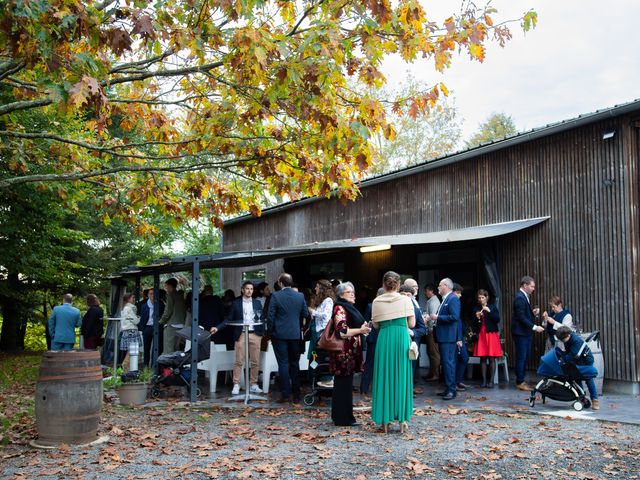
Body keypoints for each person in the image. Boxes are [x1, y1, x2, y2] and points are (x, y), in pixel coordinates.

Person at [371, 271, 415, 433]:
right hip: (401, 338)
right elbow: (411, 323)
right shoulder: (405, 300)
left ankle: (384, 421)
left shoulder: (376, 301)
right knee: (401, 376)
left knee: (384, 376)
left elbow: (375, 326)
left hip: (384, 338)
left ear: (383, 284)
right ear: (398, 284)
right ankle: (402, 420)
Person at [328, 282, 371, 426]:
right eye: (348, 292)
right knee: (342, 386)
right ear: (341, 295)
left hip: (349, 354)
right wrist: (360, 331)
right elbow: (342, 332)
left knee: (345, 386)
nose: (352, 294)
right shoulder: (340, 308)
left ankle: (344, 417)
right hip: (343, 354)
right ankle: (342, 418)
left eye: (353, 291)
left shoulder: (348, 308)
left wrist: (361, 328)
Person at [213, 281, 265, 395]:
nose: (249, 291)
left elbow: (261, 319)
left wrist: (263, 333)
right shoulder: (236, 303)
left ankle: (254, 384)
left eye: (251, 289)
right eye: (247, 288)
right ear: (242, 290)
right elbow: (228, 319)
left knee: (255, 361)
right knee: (239, 360)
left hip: (255, 333)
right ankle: (236, 384)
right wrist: (218, 328)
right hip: (241, 333)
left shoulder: (257, 303)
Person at [266, 273, 309, 403]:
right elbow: (305, 313)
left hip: (279, 334)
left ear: (280, 283)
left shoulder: (275, 296)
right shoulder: (300, 296)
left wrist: (271, 331)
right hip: (295, 334)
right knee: (294, 363)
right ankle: (297, 394)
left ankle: (285, 394)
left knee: (283, 364)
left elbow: (271, 316)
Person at [429, 278, 461, 400]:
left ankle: (451, 390)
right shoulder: (446, 299)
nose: (438, 287)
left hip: (448, 337)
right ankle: (448, 388)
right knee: (446, 363)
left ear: (446, 286)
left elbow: (455, 317)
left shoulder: (452, 299)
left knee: (448, 363)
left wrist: (437, 317)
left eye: (439, 285)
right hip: (444, 337)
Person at [512, 276, 545, 391]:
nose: (533, 289)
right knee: (521, 357)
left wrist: (533, 314)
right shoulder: (520, 298)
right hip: (521, 333)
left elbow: (524, 314)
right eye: (532, 286)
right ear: (525, 285)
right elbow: (520, 317)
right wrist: (535, 327)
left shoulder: (524, 296)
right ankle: (520, 382)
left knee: (525, 357)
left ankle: (521, 380)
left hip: (525, 332)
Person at [555, 326, 599, 410]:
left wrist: (562, 360)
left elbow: (573, 355)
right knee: (576, 379)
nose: (563, 341)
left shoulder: (576, 341)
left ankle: (595, 400)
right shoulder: (567, 338)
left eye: (563, 340)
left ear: (568, 335)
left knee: (589, 379)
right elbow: (568, 351)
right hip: (577, 361)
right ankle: (581, 399)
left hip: (586, 361)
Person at [308, 279, 335, 388]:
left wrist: (312, 311)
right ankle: (314, 379)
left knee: (317, 357)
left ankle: (320, 380)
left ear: (322, 288)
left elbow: (326, 316)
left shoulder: (328, 300)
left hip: (321, 335)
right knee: (314, 356)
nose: (315, 288)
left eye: (317, 287)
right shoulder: (323, 300)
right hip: (316, 334)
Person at [472, 289, 503, 388]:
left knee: (492, 357)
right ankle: (484, 381)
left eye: (483, 297)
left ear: (487, 298)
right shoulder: (476, 308)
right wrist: (477, 318)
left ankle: (491, 381)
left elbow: (497, 319)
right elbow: (473, 323)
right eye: (479, 298)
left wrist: (489, 312)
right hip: (481, 335)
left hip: (491, 334)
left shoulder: (492, 307)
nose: (481, 299)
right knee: (483, 358)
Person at [400, 281, 427, 391]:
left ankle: (408, 391)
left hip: (411, 345)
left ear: (412, 296)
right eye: (403, 294)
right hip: (397, 344)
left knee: (411, 369)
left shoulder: (415, 310)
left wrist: (413, 332)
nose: (406, 297)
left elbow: (423, 329)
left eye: (408, 295)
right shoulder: (393, 309)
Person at [360, 288, 384, 395]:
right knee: (381, 363)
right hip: (382, 338)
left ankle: (364, 388)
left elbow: (365, 321)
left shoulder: (371, 305)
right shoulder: (387, 306)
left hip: (373, 338)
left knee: (369, 363)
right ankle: (379, 389)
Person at [159, 278, 187, 355]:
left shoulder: (170, 295)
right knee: (176, 349)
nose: (166, 288)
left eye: (166, 286)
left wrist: (161, 321)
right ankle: (175, 366)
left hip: (172, 325)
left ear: (170, 286)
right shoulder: (180, 295)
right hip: (181, 325)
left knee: (168, 349)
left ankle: (168, 367)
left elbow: (168, 311)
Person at [452, 283, 470, 392]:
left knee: (463, 358)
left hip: (458, 336)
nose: (460, 295)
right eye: (458, 293)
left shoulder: (455, 301)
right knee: (459, 359)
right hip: (455, 337)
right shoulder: (454, 300)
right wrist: (458, 338)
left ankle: (457, 381)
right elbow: (456, 321)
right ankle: (454, 383)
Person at [423, 284, 441, 382]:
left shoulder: (434, 301)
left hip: (432, 331)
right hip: (430, 330)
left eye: (426, 291)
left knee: (434, 353)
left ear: (431, 291)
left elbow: (433, 317)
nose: (425, 293)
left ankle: (436, 374)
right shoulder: (431, 300)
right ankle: (431, 373)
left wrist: (429, 326)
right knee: (430, 352)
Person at [119, 293, 142, 371]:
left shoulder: (123, 308)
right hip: (131, 331)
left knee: (130, 352)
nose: (134, 299)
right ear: (128, 299)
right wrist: (139, 317)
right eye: (133, 297)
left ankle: (127, 370)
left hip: (126, 331)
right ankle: (126, 368)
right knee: (132, 352)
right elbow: (136, 321)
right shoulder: (130, 308)